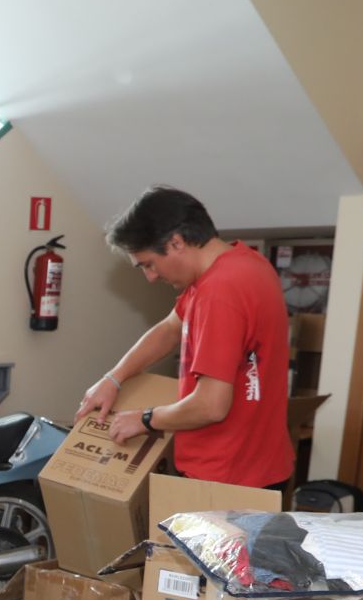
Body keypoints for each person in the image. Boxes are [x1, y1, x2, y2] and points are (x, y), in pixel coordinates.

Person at [76, 185, 294, 490]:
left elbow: (211, 405)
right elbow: (169, 328)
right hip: (259, 469)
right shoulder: (246, 264)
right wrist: (114, 378)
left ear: (176, 242)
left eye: (149, 264)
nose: (150, 277)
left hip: (225, 478)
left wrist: (144, 419)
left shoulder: (219, 291)